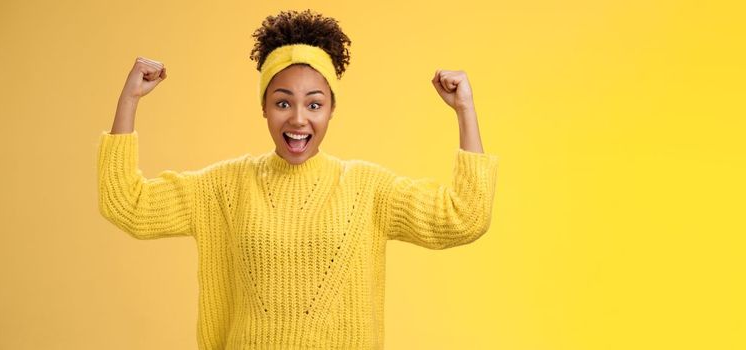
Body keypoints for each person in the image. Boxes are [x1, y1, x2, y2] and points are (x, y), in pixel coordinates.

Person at [97, 9, 499, 349]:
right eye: (283, 102)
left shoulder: (367, 189)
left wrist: (465, 109)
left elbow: (463, 218)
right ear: (264, 108)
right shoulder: (224, 187)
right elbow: (127, 204)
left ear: (331, 110)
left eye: (314, 104)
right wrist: (129, 100)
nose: (298, 119)